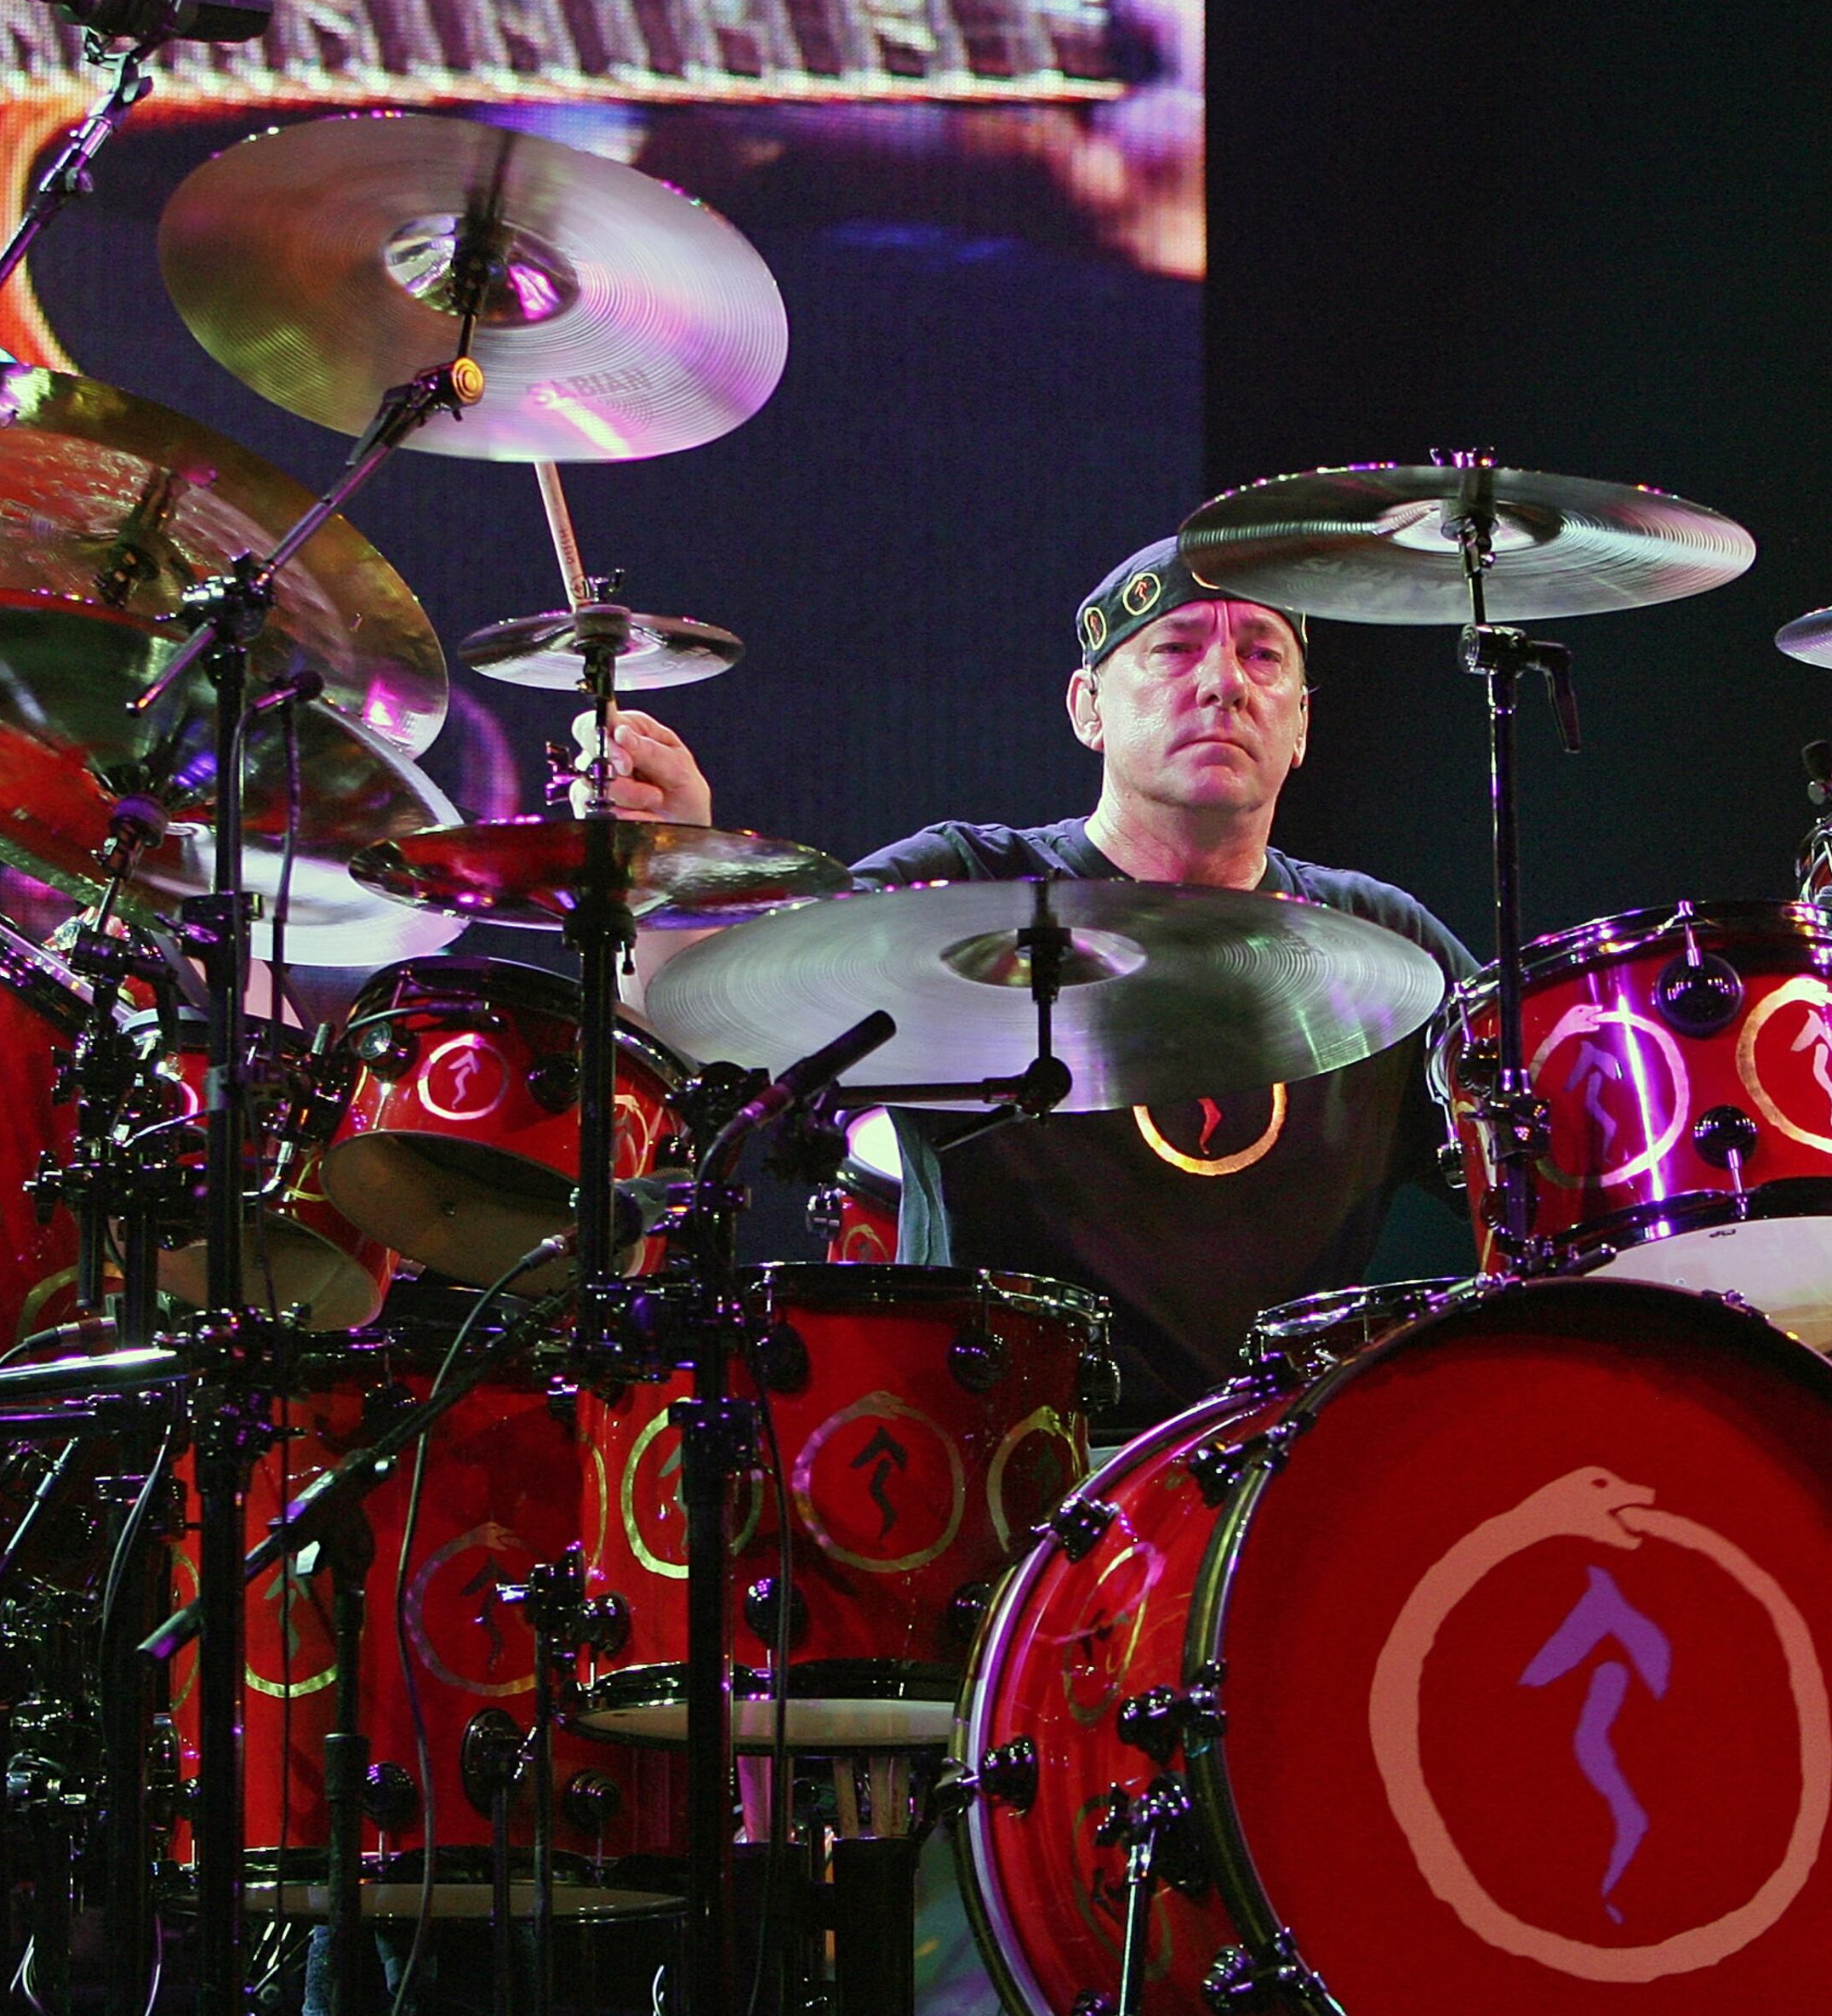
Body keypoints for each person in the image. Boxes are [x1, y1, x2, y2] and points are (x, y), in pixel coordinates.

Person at [587, 538, 1481, 1431]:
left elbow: (1562, 1170)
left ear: (1302, 727)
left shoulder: (1383, 937)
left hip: (1288, 1479)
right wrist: (669, 876)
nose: (1224, 683)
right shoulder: (962, 883)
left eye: (1262, 654)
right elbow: (707, 1041)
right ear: (1087, 707)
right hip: (1006, 1476)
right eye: (1172, 649)